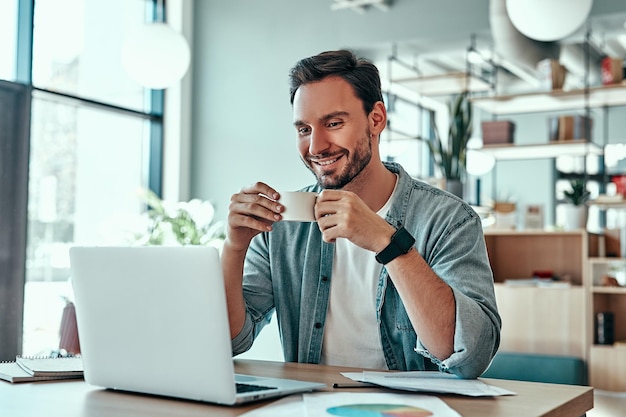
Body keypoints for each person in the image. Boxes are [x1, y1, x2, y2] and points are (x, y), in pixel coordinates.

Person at [222, 49, 501, 379]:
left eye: (334, 123)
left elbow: (470, 356)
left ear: (376, 118)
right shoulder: (285, 224)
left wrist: (389, 243)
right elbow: (231, 340)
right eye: (304, 129)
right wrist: (234, 248)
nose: (316, 147)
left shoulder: (449, 219)